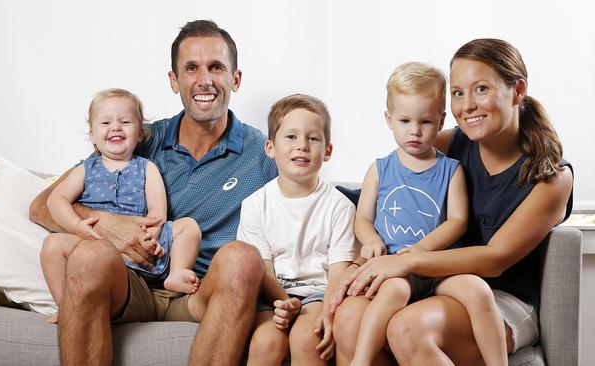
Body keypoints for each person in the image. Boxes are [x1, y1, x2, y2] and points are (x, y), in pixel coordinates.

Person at [29, 20, 278, 365]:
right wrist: (108, 225)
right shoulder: (140, 137)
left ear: (235, 79)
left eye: (216, 67)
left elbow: (319, 200)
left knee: (242, 258)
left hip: (198, 290)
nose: (204, 80)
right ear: (174, 81)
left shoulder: (264, 152)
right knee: (89, 256)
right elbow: (42, 206)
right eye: (191, 68)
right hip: (128, 282)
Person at [331, 38, 574, 365]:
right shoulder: (448, 144)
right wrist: (362, 259)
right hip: (437, 282)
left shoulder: (550, 177)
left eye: (481, 89)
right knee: (350, 320)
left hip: (501, 298)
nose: (468, 105)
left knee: (407, 328)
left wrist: (409, 261)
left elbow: (495, 259)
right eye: (458, 92)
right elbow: (391, 194)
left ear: (517, 91)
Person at [342, 62, 507, 366]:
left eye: (426, 122)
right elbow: (362, 217)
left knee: (479, 290)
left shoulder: (450, 170)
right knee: (391, 291)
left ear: (441, 120)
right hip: (395, 268)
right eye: (405, 120)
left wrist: (421, 250)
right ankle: (360, 361)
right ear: (389, 120)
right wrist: (370, 240)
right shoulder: (379, 170)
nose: (415, 131)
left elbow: (458, 222)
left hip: (438, 267)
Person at [40, 88, 201, 324]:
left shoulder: (147, 168)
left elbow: (158, 210)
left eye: (125, 122)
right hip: (94, 243)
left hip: (142, 244)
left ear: (140, 134)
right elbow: (56, 199)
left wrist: (150, 235)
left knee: (188, 226)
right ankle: (67, 305)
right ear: (92, 135)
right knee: (52, 245)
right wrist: (77, 227)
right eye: (105, 122)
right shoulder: (86, 170)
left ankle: (176, 273)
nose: (115, 127)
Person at [237, 94, 358, 365]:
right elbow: (263, 270)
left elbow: (339, 271)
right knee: (265, 342)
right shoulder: (255, 205)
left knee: (307, 337)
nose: (302, 146)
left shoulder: (339, 206)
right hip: (272, 296)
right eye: (291, 137)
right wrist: (283, 305)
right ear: (270, 147)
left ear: (327, 151)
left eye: (313, 138)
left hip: (319, 294)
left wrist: (328, 311)